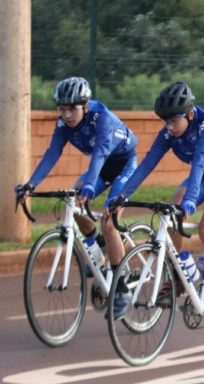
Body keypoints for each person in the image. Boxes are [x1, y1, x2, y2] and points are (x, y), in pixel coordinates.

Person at [109, 81, 204, 326]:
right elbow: (147, 164)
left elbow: (198, 166)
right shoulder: (168, 134)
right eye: (165, 121)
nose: (169, 127)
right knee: (172, 213)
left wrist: (191, 201)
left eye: (173, 121)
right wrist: (122, 197)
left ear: (190, 114)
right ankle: (181, 274)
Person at [15, 77, 139, 318]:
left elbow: (101, 152)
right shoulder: (63, 125)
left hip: (124, 166)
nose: (67, 114)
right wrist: (31, 184)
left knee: (109, 222)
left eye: (72, 108)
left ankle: (122, 287)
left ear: (86, 105)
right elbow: (52, 154)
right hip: (102, 167)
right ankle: (95, 246)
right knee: (73, 198)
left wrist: (91, 185)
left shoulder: (102, 118)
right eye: (61, 109)